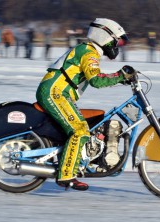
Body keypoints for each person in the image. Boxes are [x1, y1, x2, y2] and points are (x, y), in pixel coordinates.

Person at [36, 18, 134, 191]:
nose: (116, 46)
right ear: (105, 36)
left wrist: (121, 79)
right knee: (80, 130)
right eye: (116, 40)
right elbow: (96, 80)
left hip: (59, 93)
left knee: (87, 125)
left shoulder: (89, 51)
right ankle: (66, 175)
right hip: (55, 92)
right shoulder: (89, 52)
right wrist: (121, 75)